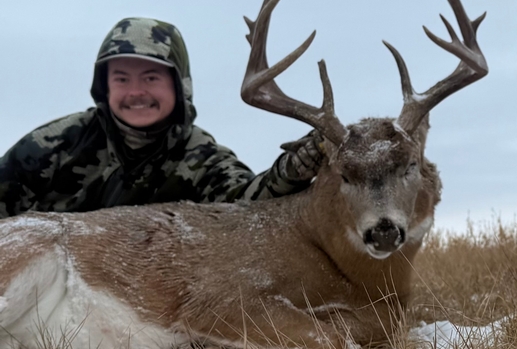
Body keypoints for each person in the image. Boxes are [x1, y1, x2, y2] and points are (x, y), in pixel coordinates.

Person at [0, 16, 323, 216]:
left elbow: (245, 205)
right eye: (122, 79)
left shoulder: (200, 157)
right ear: (104, 87)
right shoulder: (54, 143)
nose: (136, 92)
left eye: (151, 78)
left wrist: (291, 170)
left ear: (179, 85)